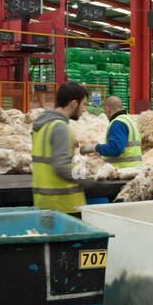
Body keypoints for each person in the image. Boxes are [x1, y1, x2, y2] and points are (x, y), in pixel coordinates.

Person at [31, 82, 95, 212]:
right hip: (64, 205)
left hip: (44, 202)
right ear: (74, 103)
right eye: (83, 104)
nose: (84, 109)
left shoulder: (42, 125)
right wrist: (86, 180)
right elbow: (61, 167)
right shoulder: (59, 127)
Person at [83, 95, 141, 169]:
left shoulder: (117, 123)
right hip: (134, 169)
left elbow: (116, 149)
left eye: (105, 112)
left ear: (108, 110)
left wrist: (94, 148)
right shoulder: (128, 121)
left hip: (122, 171)